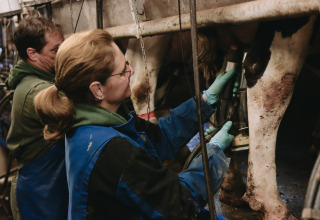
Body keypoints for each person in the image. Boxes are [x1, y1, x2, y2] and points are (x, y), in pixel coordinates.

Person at [34, 29, 236, 220]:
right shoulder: (112, 150)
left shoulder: (97, 122)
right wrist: (213, 153)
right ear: (98, 90)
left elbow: (159, 137)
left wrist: (205, 101)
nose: (131, 71)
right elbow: (180, 205)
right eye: (122, 71)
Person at [6, 17, 68, 220]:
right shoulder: (37, 91)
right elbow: (78, 114)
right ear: (32, 54)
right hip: (40, 193)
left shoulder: (43, 80)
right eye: (55, 50)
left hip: (47, 188)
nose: (62, 55)